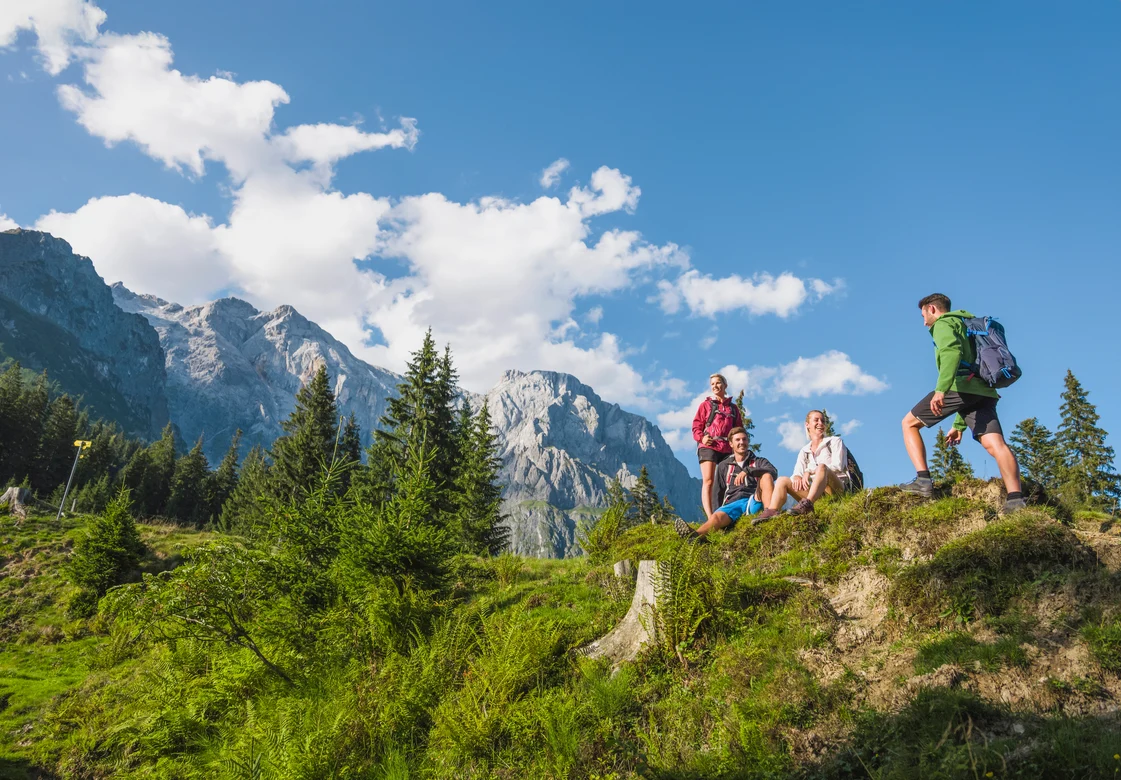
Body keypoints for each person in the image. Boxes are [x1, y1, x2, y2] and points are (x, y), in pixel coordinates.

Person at [897, 293, 1025, 513]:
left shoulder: (944, 324)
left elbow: (952, 353)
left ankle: (923, 480)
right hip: (985, 390)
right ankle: (1015, 499)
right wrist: (958, 425)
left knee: (908, 423)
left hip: (958, 387)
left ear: (932, 309)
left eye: (923, 315)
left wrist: (941, 391)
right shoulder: (967, 324)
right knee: (996, 445)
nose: (924, 320)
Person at [675, 426, 776, 541]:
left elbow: (774, 472)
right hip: (731, 504)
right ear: (731, 444)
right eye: (737, 440)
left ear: (748, 441)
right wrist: (715, 513)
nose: (742, 442)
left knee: (767, 475)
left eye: (744, 439)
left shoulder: (759, 461)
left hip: (753, 500)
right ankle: (695, 536)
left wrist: (748, 471)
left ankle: (769, 514)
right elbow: (717, 492)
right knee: (717, 517)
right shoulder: (724, 465)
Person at [754, 410, 852, 521]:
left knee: (822, 467)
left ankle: (807, 504)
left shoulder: (834, 441)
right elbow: (796, 475)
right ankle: (771, 511)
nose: (820, 423)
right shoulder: (804, 451)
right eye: (816, 420)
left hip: (836, 488)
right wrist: (797, 477)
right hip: (817, 493)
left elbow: (838, 466)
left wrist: (809, 471)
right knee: (782, 480)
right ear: (807, 425)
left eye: (823, 421)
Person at [691, 373, 743, 519]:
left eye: (718, 383)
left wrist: (738, 445)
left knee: (730, 482)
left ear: (725, 386)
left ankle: (725, 513)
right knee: (708, 480)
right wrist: (702, 437)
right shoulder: (706, 405)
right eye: (712, 384)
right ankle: (710, 517)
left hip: (727, 448)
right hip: (708, 445)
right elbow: (696, 426)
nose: (715, 386)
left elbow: (738, 429)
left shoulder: (733, 409)